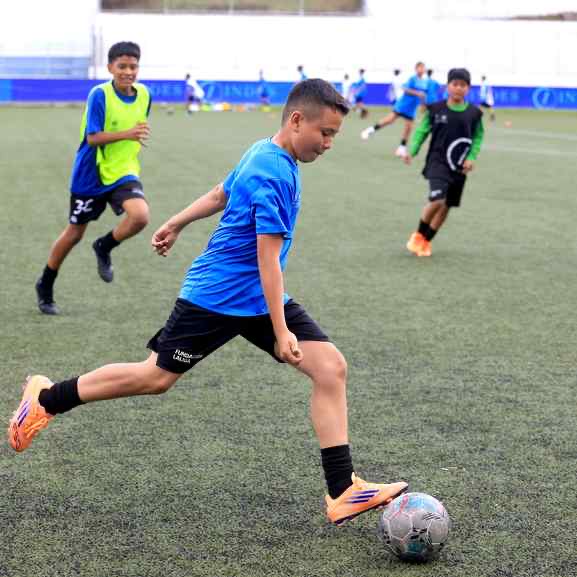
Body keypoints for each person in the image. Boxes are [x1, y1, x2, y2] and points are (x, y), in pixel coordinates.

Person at [10, 79, 408, 526]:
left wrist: (176, 222)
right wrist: (282, 332)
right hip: (216, 296)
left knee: (330, 368)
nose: (329, 143)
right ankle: (46, 398)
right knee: (155, 377)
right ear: (297, 120)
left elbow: (222, 193)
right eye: (326, 133)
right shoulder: (273, 172)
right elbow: (267, 259)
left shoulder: (265, 150)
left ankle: (342, 489)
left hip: (255, 297)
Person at [34, 41, 151, 315]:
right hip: (91, 174)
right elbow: (93, 137)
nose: (128, 72)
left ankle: (104, 246)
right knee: (74, 233)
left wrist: (132, 140)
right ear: (110, 67)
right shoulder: (99, 95)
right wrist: (128, 134)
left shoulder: (145, 94)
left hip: (123, 171)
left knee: (140, 216)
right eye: (122, 66)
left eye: (133, 66)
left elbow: (137, 127)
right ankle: (45, 283)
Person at [403, 68, 484, 257]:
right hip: (437, 162)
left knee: (446, 205)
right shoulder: (435, 109)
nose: (458, 88)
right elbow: (422, 131)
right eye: (455, 84)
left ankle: (426, 241)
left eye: (463, 85)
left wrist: (471, 157)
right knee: (438, 200)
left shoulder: (474, 113)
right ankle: (418, 235)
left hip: (459, 166)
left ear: (468, 88)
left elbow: (478, 137)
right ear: (448, 86)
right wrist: (412, 150)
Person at [361, 61, 428, 157]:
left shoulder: (425, 82)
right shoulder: (412, 79)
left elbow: (423, 95)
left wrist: (423, 104)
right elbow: (405, 89)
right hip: (403, 105)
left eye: (423, 67)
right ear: (416, 69)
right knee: (389, 120)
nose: (421, 69)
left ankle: (401, 148)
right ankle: (369, 130)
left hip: (412, 108)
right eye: (419, 67)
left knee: (408, 128)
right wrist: (418, 93)